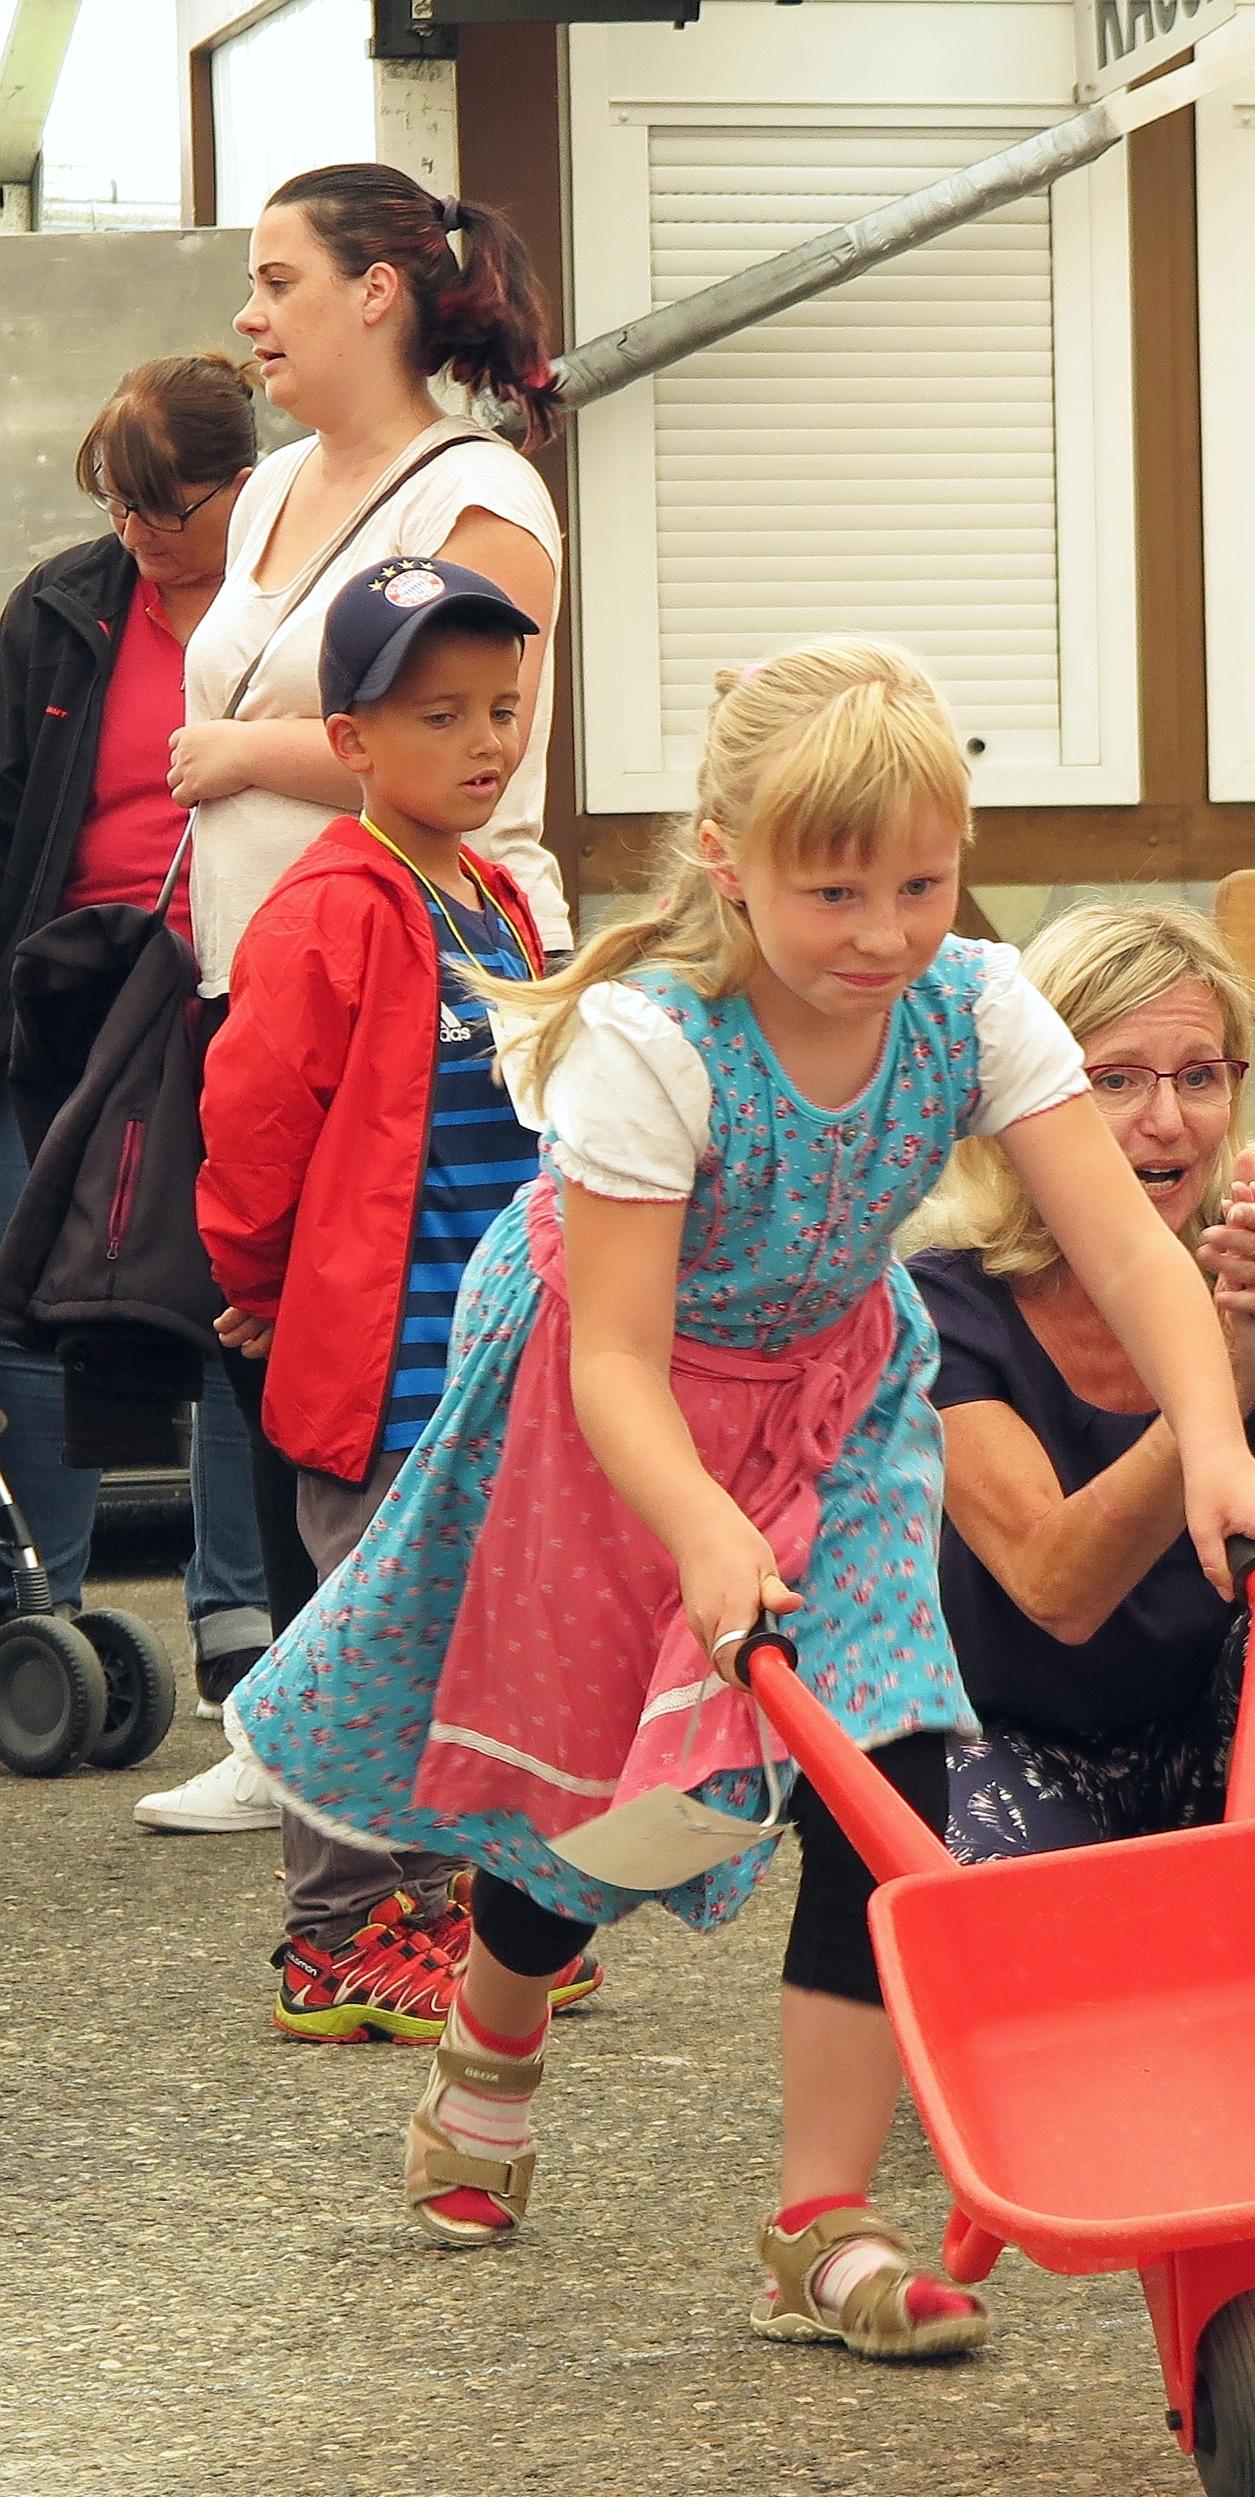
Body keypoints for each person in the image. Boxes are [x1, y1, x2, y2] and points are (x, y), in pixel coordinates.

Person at [226, 639, 1255, 2354]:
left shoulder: (972, 995)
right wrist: (706, 1530)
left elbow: (1128, 1249)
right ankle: (493, 2048)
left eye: (922, 884)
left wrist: (1217, 1437)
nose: (883, 933)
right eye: (834, 890)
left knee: (891, 1771)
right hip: (613, 1415)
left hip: (840, 1399)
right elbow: (620, 1363)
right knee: (599, 1795)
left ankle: (822, 2217)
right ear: (728, 860)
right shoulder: (655, 1044)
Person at [140, 159, 574, 1837]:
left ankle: (430, 1750)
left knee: (424, 1359)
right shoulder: (262, 495)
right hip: (262, 965)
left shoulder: (481, 493)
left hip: (437, 972)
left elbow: (470, 733)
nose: (250, 317)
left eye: (279, 280)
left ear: (377, 293)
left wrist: (239, 756)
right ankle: (300, 1713)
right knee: (273, 1330)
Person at [198, 556, 596, 2042]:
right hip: (384, 1371)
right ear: (351, 740)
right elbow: (250, 1121)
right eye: (440, 717)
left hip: (495, 1365)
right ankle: (335, 1927)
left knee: (470, 1638)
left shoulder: (487, 888)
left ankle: (459, 1908)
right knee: (369, 1644)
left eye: (502, 708)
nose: (485, 742)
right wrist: (257, 1283)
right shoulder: (336, 905)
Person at [908, 903, 1255, 1858]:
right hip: (1007, 1733)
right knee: (1056, 1945)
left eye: (1199, 1076)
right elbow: (1056, 1591)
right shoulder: (950, 1294)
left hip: (1215, 1717)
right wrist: (1213, 1401)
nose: (1167, 1120)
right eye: (1112, 1081)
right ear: (1028, 1103)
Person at [0, 353, 274, 1740]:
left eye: (172, 503)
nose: (144, 532)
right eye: (121, 503)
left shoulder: (292, 607)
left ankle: (239, 1624)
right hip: (67, 990)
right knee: (40, 1280)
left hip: (228, 981)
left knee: (234, 1290)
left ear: (246, 479)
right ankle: (34, 1610)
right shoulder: (56, 606)